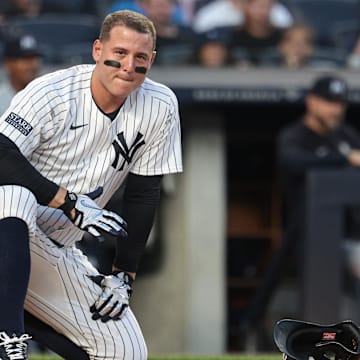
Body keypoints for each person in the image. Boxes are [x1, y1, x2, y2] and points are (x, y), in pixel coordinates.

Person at [0, 9, 182, 360]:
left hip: (51, 249)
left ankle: (18, 314)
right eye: (120, 54)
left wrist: (124, 273)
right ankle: (9, 340)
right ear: (98, 50)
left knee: (125, 351)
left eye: (139, 57)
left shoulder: (160, 105)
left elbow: (144, 193)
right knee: (13, 195)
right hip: (7, 226)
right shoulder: (52, 91)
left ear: (152, 60)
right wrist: (66, 201)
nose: (128, 65)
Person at [239, 74, 360, 334]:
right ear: (312, 102)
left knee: (352, 281)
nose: (335, 109)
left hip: (347, 226)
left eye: (339, 103)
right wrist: (343, 158)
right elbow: (293, 162)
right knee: (277, 276)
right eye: (328, 101)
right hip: (303, 225)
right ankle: (247, 328)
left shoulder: (347, 135)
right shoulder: (294, 135)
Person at [0, 33, 42, 115]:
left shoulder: (45, 96)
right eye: (25, 60)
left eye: (34, 59)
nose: (31, 65)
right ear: (8, 64)